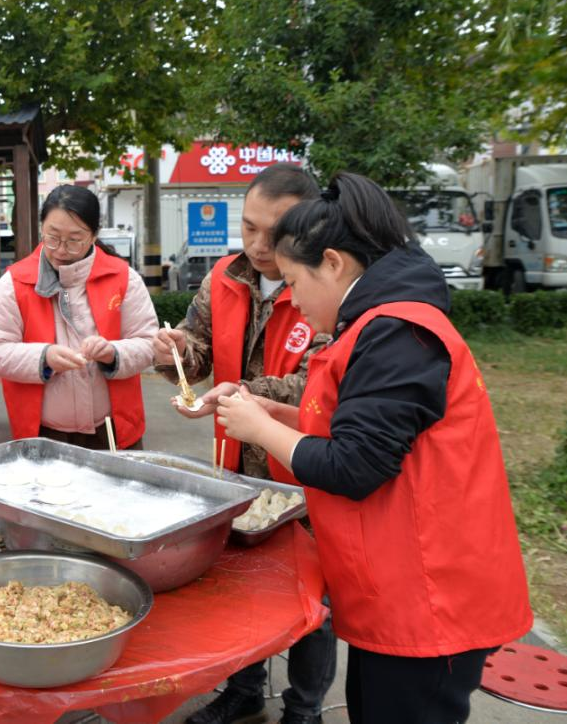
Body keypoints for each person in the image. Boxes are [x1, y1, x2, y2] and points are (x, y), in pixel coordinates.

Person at [216, 173, 532, 724]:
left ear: (334, 264)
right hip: (398, 591)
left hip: (432, 600)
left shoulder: (396, 330)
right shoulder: (378, 322)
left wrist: (262, 431)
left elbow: (356, 465)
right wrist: (278, 414)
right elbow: (364, 430)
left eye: (293, 279)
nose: (289, 296)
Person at [154, 164, 336, 724]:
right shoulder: (222, 280)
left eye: (273, 232)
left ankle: (304, 709)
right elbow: (201, 350)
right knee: (236, 587)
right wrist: (176, 352)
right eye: (248, 227)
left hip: (303, 469)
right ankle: (243, 688)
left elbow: (318, 378)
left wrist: (244, 395)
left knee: (312, 600)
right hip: (233, 463)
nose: (258, 245)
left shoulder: (326, 286)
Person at [0, 185, 158, 450]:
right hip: (42, 432)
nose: (61, 249)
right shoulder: (15, 282)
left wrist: (113, 353)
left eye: (75, 239)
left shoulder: (123, 278)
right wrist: (44, 357)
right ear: (42, 228)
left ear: (94, 235)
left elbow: (148, 342)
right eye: (52, 237)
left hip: (113, 431)